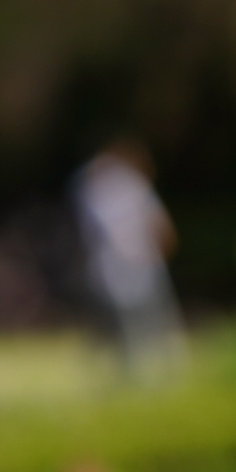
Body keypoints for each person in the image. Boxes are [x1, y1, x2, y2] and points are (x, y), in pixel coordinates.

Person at [73, 140, 185, 373]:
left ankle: (148, 368)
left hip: (132, 264)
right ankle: (147, 368)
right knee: (136, 322)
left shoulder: (100, 185)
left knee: (142, 322)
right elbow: (159, 225)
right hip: (124, 264)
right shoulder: (115, 184)